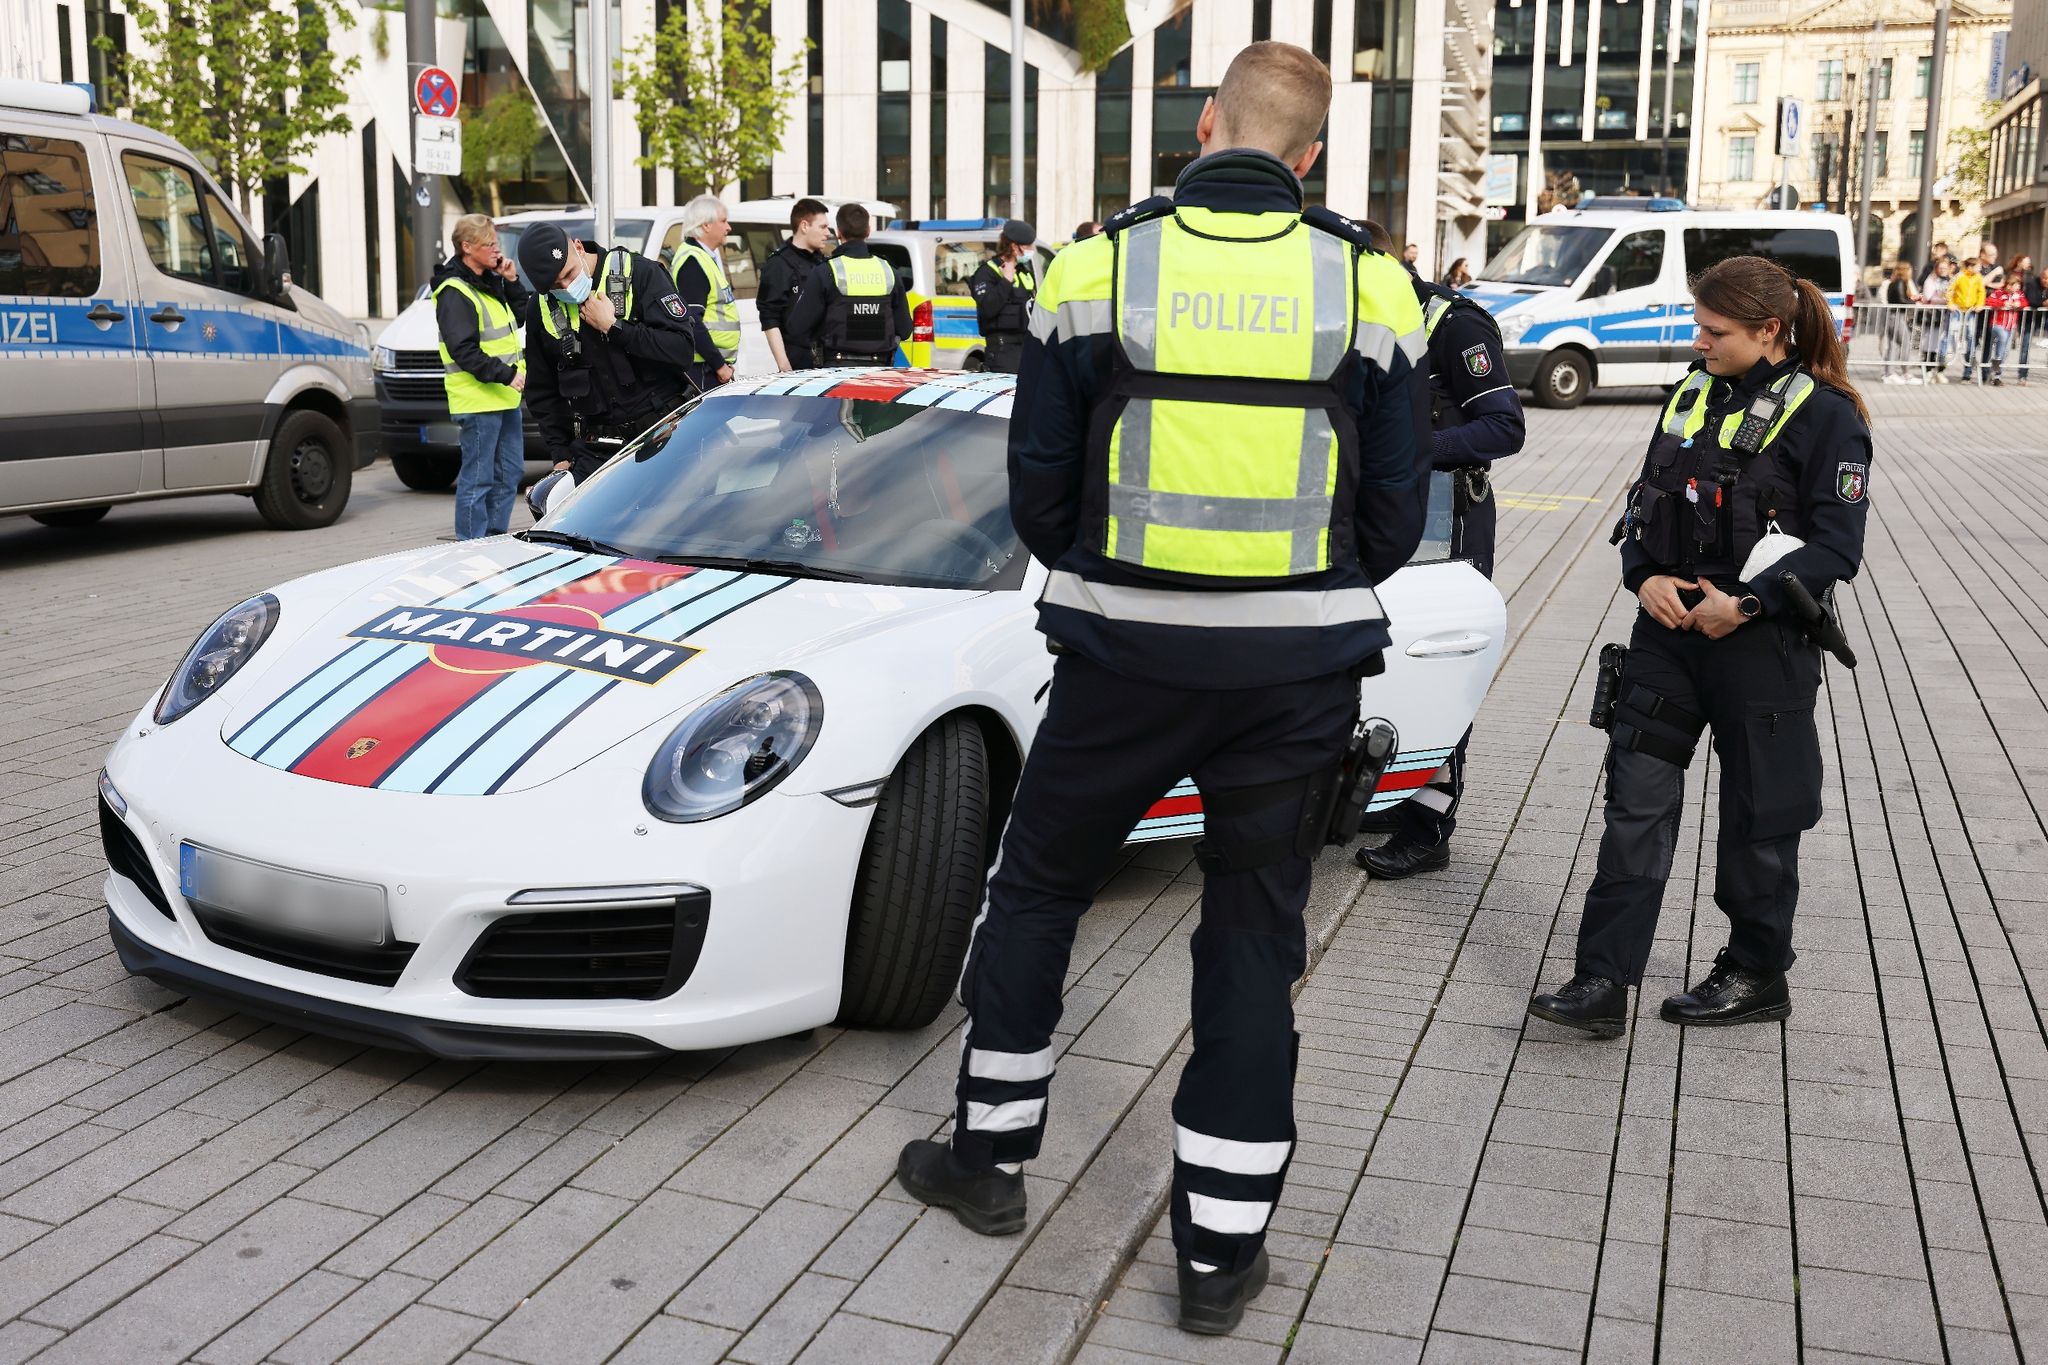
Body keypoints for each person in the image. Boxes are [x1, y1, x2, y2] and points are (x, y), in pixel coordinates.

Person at [892, 41, 1428, 1339]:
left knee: (1035, 891)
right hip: (1294, 676)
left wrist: (1116, 573)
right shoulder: (1373, 283)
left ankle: (990, 1161)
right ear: (1309, 157)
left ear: (1203, 125)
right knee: (1253, 934)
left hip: (1122, 660)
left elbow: (1034, 485)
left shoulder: (1099, 265)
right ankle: (1218, 1255)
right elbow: (1399, 514)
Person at [1528, 255, 1872, 1038]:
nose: (1699, 339)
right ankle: (1602, 980)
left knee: (1760, 815)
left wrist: (1744, 604)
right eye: (1698, 325)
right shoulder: (1690, 392)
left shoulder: (1828, 416)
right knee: (1635, 802)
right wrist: (1640, 573)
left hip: (1761, 645)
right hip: (1668, 635)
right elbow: (1644, 503)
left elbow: (1836, 548)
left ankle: (1756, 972)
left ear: (1769, 331)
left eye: (1715, 330)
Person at [1354, 221, 1524, 879]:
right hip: (1383, 516)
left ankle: (1429, 825)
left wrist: (1408, 452)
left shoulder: (1455, 325)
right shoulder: (1367, 317)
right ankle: (1393, 788)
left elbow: (1504, 427)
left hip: (1446, 521)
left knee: (1441, 667)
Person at [516, 221, 728, 483]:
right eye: (555, 285)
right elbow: (542, 391)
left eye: (569, 273)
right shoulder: (541, 308)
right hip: (598, 451)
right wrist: (560, 454)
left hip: (667, 434)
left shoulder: (639, 273)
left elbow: (681, 350)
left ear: (578, 247)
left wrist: (614, 328)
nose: (567, 286)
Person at [433, 214, 530, 540]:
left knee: (509, 473)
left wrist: (512, 281)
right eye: (489, 244)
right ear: (466, 247)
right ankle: (470, 545)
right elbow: (464, 350)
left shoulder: (488, 282)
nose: (496, 250)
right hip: (478, 399)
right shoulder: (455, 291)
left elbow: (519, 318)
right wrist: (506, 375)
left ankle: (494, 539)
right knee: (479, 477)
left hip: (503, 396)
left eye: (496, 243)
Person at [782, 202, 912, 366]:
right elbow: (905, 330)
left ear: (839, 233)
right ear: (868, 231)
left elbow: (796, 328)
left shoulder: (825, 272)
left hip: (833, 373)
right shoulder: (890, 272)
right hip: (879, 373)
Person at [669, 193, 742, 380]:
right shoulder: (693, 261)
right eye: (723, 221)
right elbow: (692, 321)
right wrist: (719, 366)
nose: (729, 227)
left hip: (708, 365)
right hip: (702, 367)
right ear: (706, 225)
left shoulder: (702, 256)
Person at [760, 198, 832, 371]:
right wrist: (784, 365)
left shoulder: (822, 262)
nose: (828, 233)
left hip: (827, 360)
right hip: (797, 361)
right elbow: (770, 317)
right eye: (822, 227)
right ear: (804, 226)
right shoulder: (779, 265)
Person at [969, 219, 1038, 374]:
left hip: (1026, 347)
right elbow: (988, 307)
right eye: (1028, 246)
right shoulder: (987, 273)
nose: (1031, 249)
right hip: (1002, 350)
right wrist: (1006, 281)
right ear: (1014, 246)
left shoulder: (1023, 271)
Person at [1881, 260, 1918, 383]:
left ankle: (1889, 372)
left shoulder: (1894, 283)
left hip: (1893, 315)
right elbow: (1901, 300)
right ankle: (1904, 372)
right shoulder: (1900, 283)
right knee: (1904, 344)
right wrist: (1914, 302)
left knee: (1894, 345)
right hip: (1897, 316)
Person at [1984, 273, 2025, 385]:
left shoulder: (2019, 295)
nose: (2018, 288)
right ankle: (1994, 364)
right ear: (2009, 285)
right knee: (2002, 338)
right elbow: (1988, 301)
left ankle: (1997, 374)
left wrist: (2019, 304)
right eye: (2016, 285)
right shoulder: (1999, 293)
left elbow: (2025, 302)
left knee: (2005, 351)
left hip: (2010, 326)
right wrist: (2002, 303)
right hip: (1998, 324)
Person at [1920, 256, 1955, 379]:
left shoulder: (1951, 280)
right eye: (1941, 268)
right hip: (1933, 315)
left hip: (1947, 315)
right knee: (1931, 342)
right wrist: (1944, 299)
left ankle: (1940, 370)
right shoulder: (1931, 280)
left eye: (1945, 268)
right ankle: (1928, 369)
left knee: (1944, 343)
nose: (1943, 270)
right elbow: (1928, 296)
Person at [1952, 256, 1987, 378]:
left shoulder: (1978, 278)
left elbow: (1981, 292)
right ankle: (1949, 356)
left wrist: (1979, 304)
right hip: (1957, 310)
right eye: (1978, 266)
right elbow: (1950, 290)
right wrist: (1951, 303)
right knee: (1952, 333)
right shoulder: (1959, 276)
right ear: (1970, 267)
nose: (1980, 268)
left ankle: (1967, 370)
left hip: (1970, 312)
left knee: (1971, 337)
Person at [2018, 256, 2044, 385]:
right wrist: (2043, 303)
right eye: (2044, 278)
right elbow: (2030, 300)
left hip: (2045, 319)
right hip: (2030, 319)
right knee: (2025, 346)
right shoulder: (2033, 283)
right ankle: (2022, 375)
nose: (2046, 281)